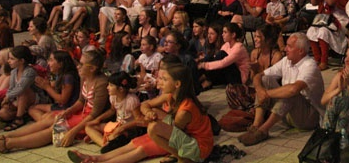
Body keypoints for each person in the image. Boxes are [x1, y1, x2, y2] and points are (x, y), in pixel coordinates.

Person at [68, 63, 213, 163]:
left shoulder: (185, 109)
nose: (159, 81)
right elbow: (145, 105)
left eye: (164, 79)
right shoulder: (170, 96)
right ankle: (95, 159)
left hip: (197, 148)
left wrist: (152, 123)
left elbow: (175, 134)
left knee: (145, 142)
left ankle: (183, 159)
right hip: (180, 135)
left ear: (177, 84)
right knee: (137, 141)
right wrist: (150, 113)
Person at [0, 49, 109, 152]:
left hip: (91, 118)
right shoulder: (85, 76)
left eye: (82, 64)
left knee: (55, 127)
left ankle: (9, 144)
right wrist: (68, 111)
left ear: (92, 68)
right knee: (51, 118)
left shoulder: (101, 83)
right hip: (82, 112)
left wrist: (73, 131)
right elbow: (81, 101)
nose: (78, 66)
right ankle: (6, 136)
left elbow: (95, 113)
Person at [238, 32, 324, 146]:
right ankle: (256, 126)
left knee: (291, 92)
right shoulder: (286, 61)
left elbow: (293, 89)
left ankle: (263, 130)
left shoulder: (310, 65)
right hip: (288, 112)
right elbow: (258, 76)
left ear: (301, 51)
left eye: (290, 46)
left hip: (308, 117)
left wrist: (266, 94)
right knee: (265, 80)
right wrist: (260, 90)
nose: (285, 49)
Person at [306, 0, 349, 70]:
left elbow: (330, 2)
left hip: (339, 19)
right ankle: (317, 59)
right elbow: (314, 3)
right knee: (311, 31)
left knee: (323, 31)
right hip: (325, 19)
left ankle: (324, 61)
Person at [84, 71, 141, 152]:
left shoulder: (131, 100)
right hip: (117, 125)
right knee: (89, 127)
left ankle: (105, 141)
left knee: (116, 135)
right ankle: (105, 144)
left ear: (120, 89)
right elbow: (112, 111)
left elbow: (138, 120)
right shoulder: (113, 97)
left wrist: (122, 128)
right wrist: (98, 119)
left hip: (129, 129)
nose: (107, 87)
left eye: (111, 85)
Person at [28, 50, 79, 121]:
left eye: (51, 60)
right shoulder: (60, 74)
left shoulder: (68, 77)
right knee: (32, 108)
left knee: (38, 112)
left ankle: (48, 123)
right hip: (61, 105)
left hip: (68, 108)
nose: (48, 63)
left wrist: (47, 87)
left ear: (60, 64)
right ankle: (47, 122)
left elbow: (63, 100)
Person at [197, 22, 250, 90]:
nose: (222, 35)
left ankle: (205, 80)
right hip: (227, 75)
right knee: (209, 57)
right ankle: (199, 80)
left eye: (225, 32)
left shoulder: (239, 47)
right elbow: (216, 59)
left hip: (239, 78)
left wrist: (204, 65)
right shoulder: (226, 45)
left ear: (233, 35)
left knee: (222, 54)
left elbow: (223, 63)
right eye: (222, 32)